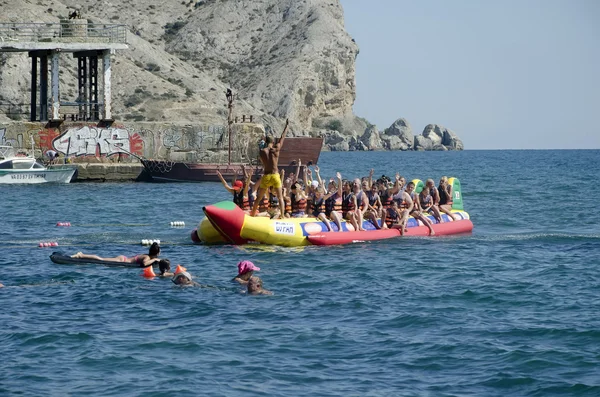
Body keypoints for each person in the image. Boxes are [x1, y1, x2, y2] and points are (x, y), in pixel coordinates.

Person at [251, 119, 289, 217]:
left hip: (266, 176)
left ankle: (252, 214)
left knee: (259, 197)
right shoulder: (276, 149)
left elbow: (262, 161)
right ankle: (283, 216)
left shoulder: (262, 151)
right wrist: (286, 127)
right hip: (275, 175)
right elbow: (282, 138)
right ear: (272, 141)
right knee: (280, 197)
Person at [71, 242, 163, 267]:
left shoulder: (147, 255)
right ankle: (81, 255)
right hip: (122, 260)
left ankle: (82, 255)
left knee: (101, 259)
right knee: (101, 259)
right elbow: (144, 264)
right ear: (157, 253)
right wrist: (155, 260)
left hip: (123, 258)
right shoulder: (147, 257)